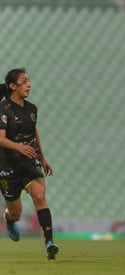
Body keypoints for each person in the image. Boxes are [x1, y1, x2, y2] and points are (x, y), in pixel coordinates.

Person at [0, 68, 59, 260]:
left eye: (28, 81)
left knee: (39, 196)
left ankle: (49, 242)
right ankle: (9, 219)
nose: (29, 85)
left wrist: (42, 156)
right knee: (15, 213)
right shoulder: (3, 109)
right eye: (24, 81)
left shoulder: (32, 109)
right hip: (7, 165)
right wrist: (18, 146)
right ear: (12, 86)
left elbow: (34, 132)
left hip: (29, 160)